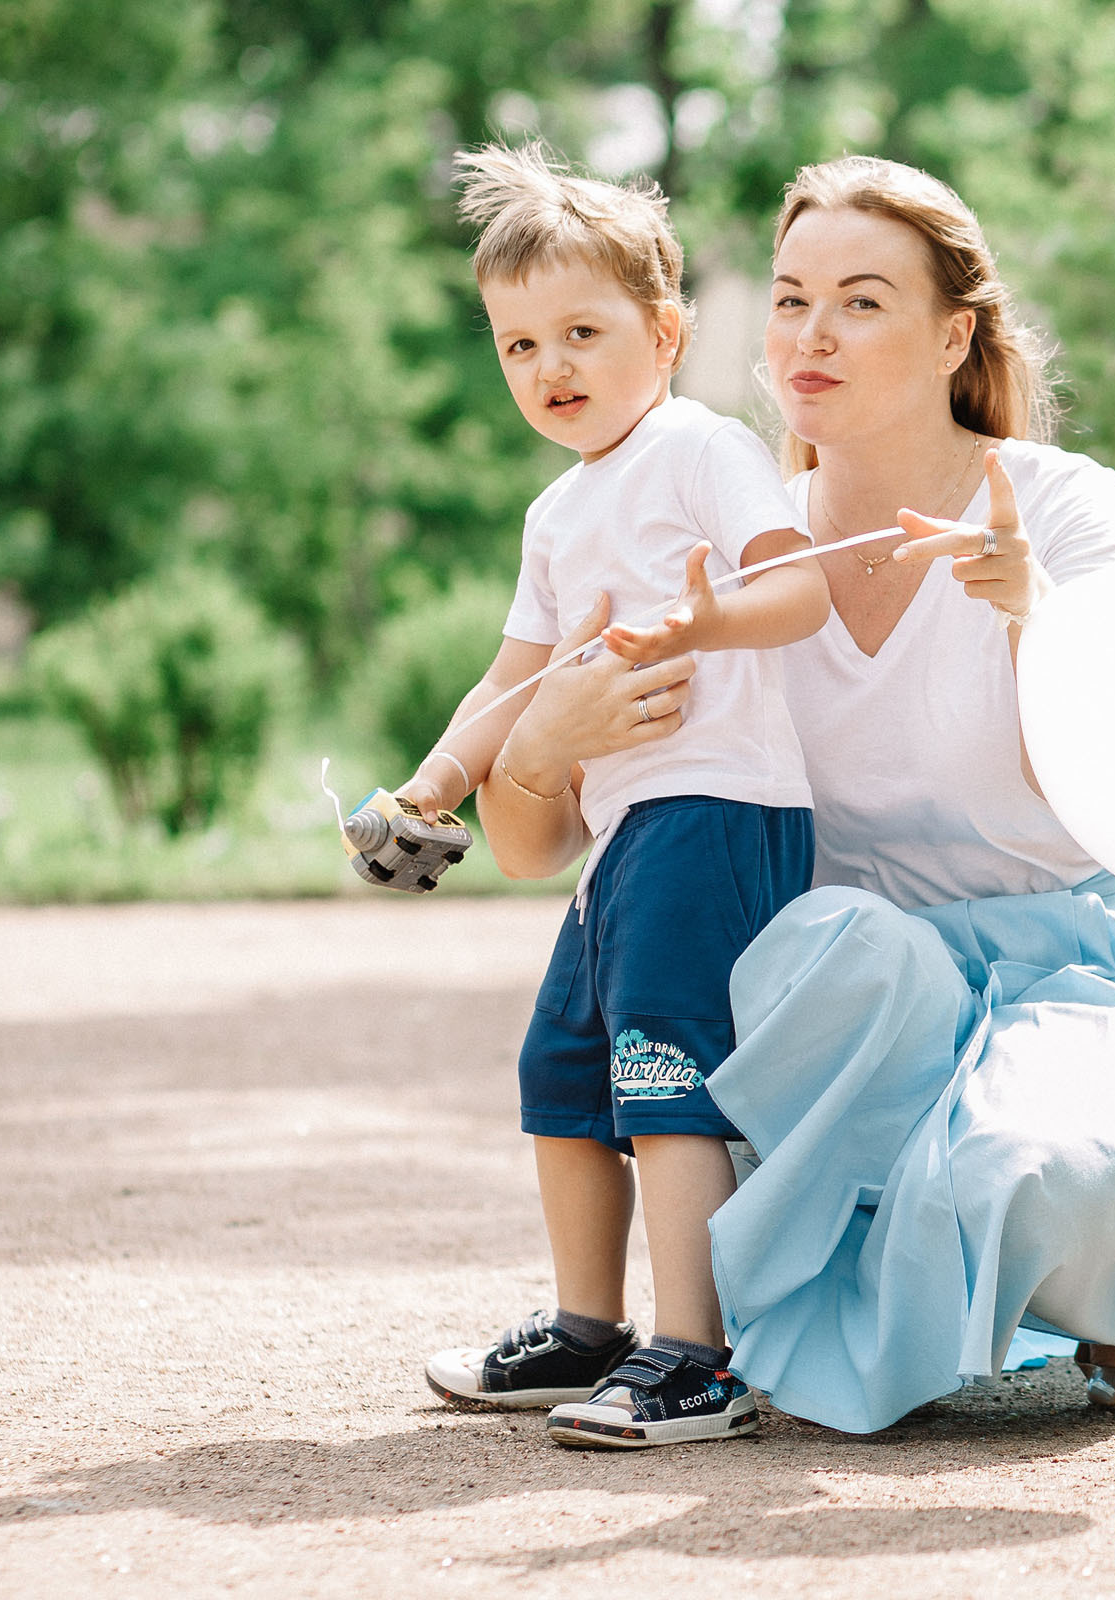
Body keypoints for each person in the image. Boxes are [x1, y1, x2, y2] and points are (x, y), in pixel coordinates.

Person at [476, 154, 1115, 1434]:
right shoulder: (731, 532)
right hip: (849, 1009)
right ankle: (709, 1321)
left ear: (954, 334)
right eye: (787, 298)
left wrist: (1033, 622)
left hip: (1075, 968)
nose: (810, 336)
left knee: (1016, 1169)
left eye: (863, 301)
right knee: (816, 962)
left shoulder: (1060, 506)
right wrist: (544, 738)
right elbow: (534, 846)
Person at [402, 145, 829, 1448]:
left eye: (582, 332)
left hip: (720, 810)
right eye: (519, 345)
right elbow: (514, 675)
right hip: (629, 833)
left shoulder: (700, 449)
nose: (552, 368)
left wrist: (716, 615)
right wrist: (433, 785)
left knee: (662, 1068)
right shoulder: (555, 514)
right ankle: (588, 1329)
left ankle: (698, 1357)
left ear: (668, 331)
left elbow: (801, 586)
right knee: (566, 1070)